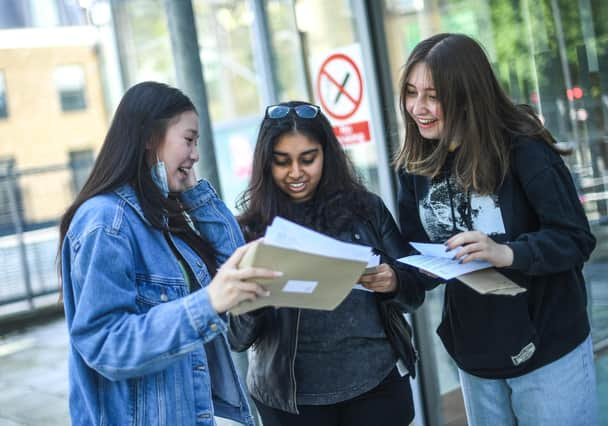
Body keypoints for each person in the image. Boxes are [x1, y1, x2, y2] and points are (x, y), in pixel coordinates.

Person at [395, 33, 598, 425]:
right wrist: (393, 274)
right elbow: (418, 254)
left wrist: (505, 252)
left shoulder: (523, 147)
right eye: (411, 92)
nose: (418, 108)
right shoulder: (415, 164)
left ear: (468, 95)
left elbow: (575, 238)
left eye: (433, 96)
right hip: (475, 355)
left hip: (549, 348)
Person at [58, 81, 278, 426]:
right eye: (188, 140)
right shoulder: (105, 221)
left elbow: (238, 266)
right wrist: (206, 304)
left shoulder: (160, 215)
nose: (195, 155)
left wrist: (194, 194)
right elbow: (105, 345)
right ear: (149, 137)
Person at [228, 101, 426, 426]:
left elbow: (415, 290)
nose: (295, 173)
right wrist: (252, 299)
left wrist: (394, 282)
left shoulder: (366, 210)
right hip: (293, 403)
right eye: (282, 162)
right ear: (265, 164)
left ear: (327, 156)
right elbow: (235, 339)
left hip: (375, 387)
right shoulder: (249, 231)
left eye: (308, 159)